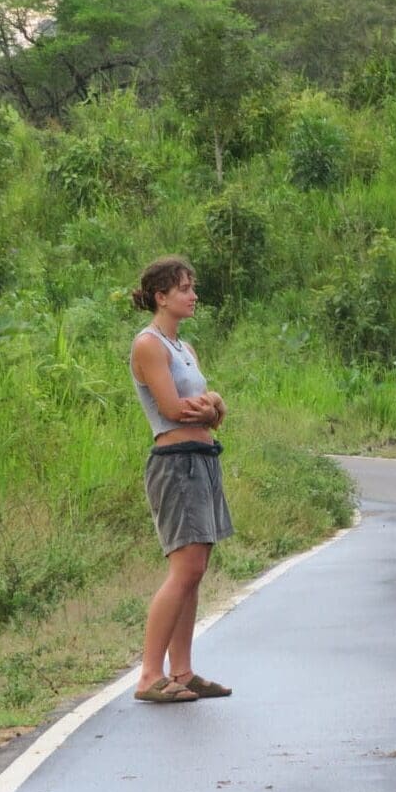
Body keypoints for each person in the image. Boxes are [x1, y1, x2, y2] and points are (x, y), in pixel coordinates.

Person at [129, 255, 234, 703]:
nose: (193, 296)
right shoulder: (148, 345)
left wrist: (210, 408)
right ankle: (150, 674)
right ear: (161, 296)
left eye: (193, 287)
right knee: (184, 567)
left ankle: (183, 670)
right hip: (175, 464)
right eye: (185, 288)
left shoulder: (184, 349)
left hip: (202, 458)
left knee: (196, 570)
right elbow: (174, 410)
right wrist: (210, 407)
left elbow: (213, 413)